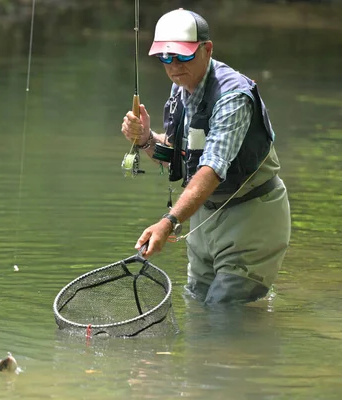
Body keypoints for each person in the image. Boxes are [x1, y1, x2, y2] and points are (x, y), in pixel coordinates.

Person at [121, 9, 291, 304]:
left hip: (251, 218)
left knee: (225, 310)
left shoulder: (233, 98)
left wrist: (169, 222)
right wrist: (147, 139)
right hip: (205, 220)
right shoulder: (181, 89)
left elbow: (211, 169)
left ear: (207, 49)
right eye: (165, 57)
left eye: (183, 56)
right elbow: (180, 158)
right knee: (198, 306)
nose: (174, 67)